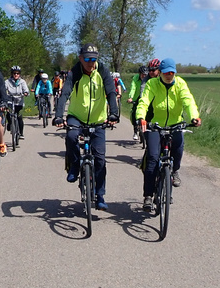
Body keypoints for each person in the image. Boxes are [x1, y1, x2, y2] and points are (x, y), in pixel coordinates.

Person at [53, 43, 119, 211]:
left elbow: (111, 92)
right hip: (77, 116)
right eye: (88, 59)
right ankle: (75, 165)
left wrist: (114, 113)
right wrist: (59, 116)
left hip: (98, 119)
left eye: (94, 59)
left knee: (100, 159)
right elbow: (65, 94)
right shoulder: (74, 72)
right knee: (71, 136)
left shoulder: (102, 71)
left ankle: (100, 195)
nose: (91, 63)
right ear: (81, 58)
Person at [135, 58, 201, 212]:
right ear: (160, 73)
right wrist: (141, 117)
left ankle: (175, 171)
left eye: (172, 72)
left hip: (175, 124)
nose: (169, 75)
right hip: (156, 125)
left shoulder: (180, 84)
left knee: (178, 150)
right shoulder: (153, 84)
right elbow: (144, 101)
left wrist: (194, 116)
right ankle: (148, 196)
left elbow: (188, 101)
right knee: (152, 158)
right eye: (166, 72)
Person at [5, 65, 29, 140]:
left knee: (19, 117)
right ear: (12, 74)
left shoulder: (22, 82)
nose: (16, 75)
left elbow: (26, 90)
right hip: (10, 100)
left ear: (19, 74)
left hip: (19, 101)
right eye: (14, 73)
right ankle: (10, 123)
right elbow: (3, 89)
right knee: (8, 113)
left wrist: (25, 93)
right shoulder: (7, 81)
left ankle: (21, 133)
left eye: (17, 73)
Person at [127, 65, 150, 141]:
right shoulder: (135, 78)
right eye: (143, 74)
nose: (144, 76)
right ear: (139, 74)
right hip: (137, 98)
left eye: (146, 74)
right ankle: (135, 131)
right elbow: (133, 88)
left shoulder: (148, 79)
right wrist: (130, 97)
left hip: (146, 98)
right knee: (134, 113)